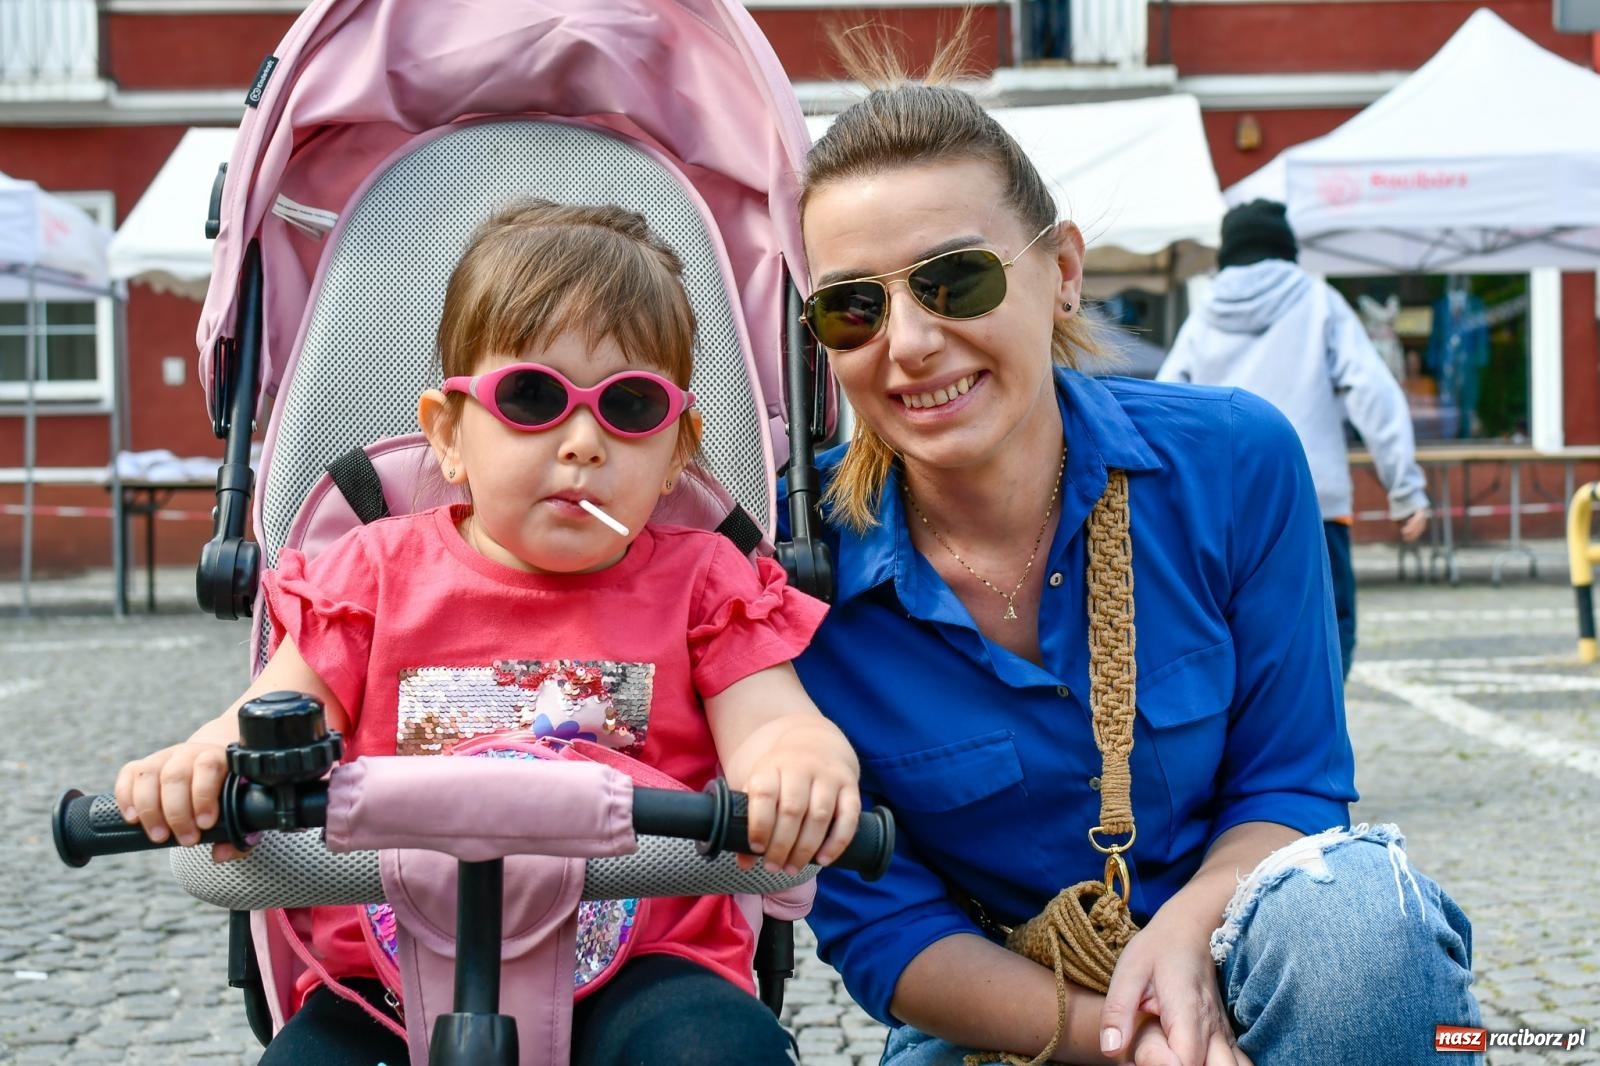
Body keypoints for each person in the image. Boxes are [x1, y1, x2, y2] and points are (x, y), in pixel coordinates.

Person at [783, 27, 1480, 1066]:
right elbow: (882, 928)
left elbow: (1291, 786)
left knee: (1359, 937)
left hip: (1245, 943)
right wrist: (1134, 1042)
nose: (911, 339)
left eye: (954, 280)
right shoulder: (802, 584)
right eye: (853, 306)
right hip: (1008, 1014)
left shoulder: (1235, 461)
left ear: (1061, 271)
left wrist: (1185, 937)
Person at [114, 199, 861, 1066]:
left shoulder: (706, 583)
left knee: (720, 1054)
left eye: (629, 407)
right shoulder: (370, 574)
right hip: (392, 980)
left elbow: (769, 717)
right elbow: (278, 707)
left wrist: (797, 764)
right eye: (533, 398)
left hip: (650, 969)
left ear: (677, 455)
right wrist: (208, 758)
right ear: (449, 436)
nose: (583, 441)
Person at [1158, 199, 1430, 680]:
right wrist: (1403, 488)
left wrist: (1164, 500)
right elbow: (1372, 391)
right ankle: (1311, 743)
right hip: (1315, 501)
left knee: (1236, 634)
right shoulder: (1319, 301)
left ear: (1229, 253)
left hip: (1222, 510)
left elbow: (1163, 407)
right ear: (1286, 249)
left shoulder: (1204, 315)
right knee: (1326, 633)